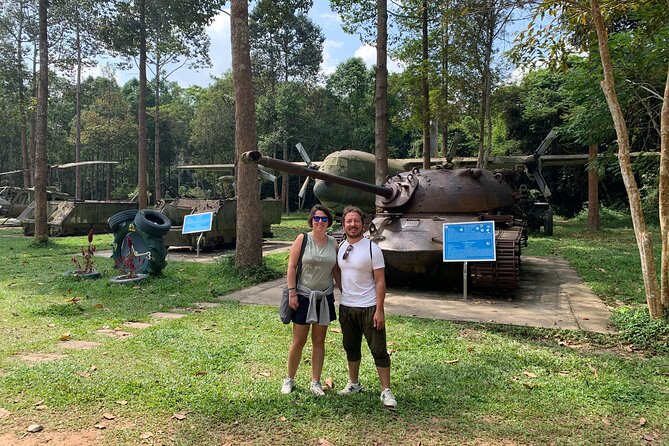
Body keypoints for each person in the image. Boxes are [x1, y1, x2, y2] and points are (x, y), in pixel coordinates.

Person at [336, 205, 397, 408]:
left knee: (378, 349)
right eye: (348, 221)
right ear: (344, 225)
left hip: (369, 306)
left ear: (363, 224)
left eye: (356, 221)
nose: (352, 225)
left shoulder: (373, 249)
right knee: (350, 347)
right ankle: (354, 383)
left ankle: (386, 390)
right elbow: (338, 272)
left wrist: (379, 310)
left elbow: (380, 281)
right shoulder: (340, 247)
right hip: (347, 307)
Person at [281, 204, 338, 396]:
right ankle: (289, 379)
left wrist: (347, 289)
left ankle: (315, 381)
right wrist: (292, 292)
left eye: (323, 219)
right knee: (299, 340)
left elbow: (336, 269)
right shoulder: (303, 239)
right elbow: (291, 266)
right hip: (303, 296)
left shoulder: (333, 243)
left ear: (329, 222)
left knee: (319, 341)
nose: (320, 222)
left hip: (324, 297)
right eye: (316, 218)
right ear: (311, 221)